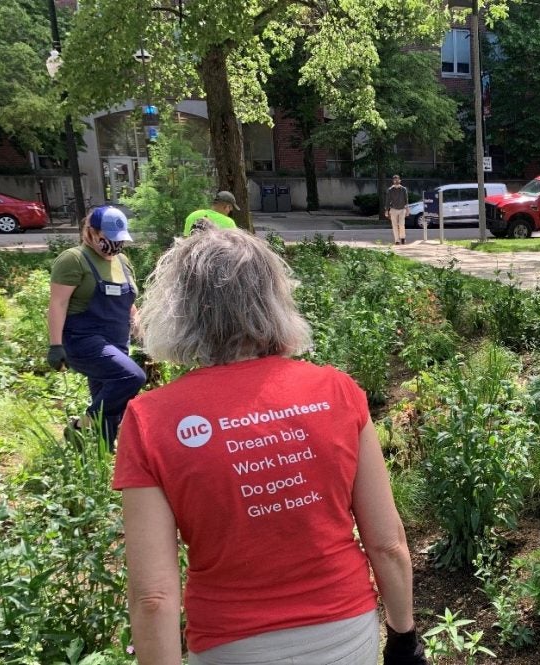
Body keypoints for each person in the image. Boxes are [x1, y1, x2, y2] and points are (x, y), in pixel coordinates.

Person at [112, 229, 426, 665]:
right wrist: (403, 636)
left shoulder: (150, 420)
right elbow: (387, 542)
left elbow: (153, 597)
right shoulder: (335, 391)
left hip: (231, 643)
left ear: (176, 309)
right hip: (344, 630)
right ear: (274, 300)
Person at [46, 206, 146, 448]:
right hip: (83, 339)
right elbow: (58, 303)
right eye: (107, 238)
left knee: (111, 400)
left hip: (117, 340)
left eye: (118, 239)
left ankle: (101, 451)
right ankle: (80, 425)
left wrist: (144, 333)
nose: (114, 244)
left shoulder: (122, 261)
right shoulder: (74, 259)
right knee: (131, 378)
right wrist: (55, 345)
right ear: (90, 233)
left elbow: (129, 304)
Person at [385, 175, 408, 245]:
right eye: (395, 180)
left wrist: (407, 210)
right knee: (394, 225)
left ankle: (403, 237)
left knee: (401, 224)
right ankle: (397, 240)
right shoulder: (390, 190)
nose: (396, 181)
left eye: (397, 180)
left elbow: (406, 200)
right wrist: (386, 210)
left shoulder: (404, 189)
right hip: (393, 209)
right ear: (393, 181)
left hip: (402, 209)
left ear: (400, 180)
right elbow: (388, 200)